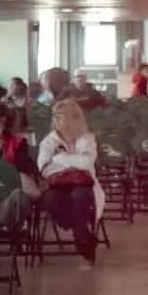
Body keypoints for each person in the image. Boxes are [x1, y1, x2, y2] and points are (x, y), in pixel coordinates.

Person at [36, 99, 103, 264]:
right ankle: (81, 233)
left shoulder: (87, 138)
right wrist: (73, 163)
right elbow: (44, 168)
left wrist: (59, 159)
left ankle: (80, 235)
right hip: (58, 184)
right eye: (55, 116)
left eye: (60, 115)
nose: (55, 119)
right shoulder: (48, 141)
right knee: (50, 199)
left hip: (83, 184)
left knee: (80, 196)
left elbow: (86, 163)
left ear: (73, 118)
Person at [0, 100, 42, 230]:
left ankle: (3, 222)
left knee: (19, 196)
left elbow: (21, 170)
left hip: (8, 192)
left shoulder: (18, 143)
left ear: (2, 120)